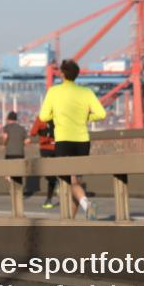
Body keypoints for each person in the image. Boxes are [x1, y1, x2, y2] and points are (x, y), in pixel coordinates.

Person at [38, 59, 106, 219]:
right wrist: (85, 118)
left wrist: (58, 117)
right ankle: (70, 220)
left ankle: (86, 205)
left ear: (62, 74)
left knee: (67, 184)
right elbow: (101, 114)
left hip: (63, 140)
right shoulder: (86, 92)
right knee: (76, 182)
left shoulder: (54, 92)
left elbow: (43, 116)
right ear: (76, 74)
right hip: (82, 141)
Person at [28, 116, 58, 208]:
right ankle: (49, 199)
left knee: (49, 173)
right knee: (58, 172)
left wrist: (41, 132)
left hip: (45, 148)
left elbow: (32, 133)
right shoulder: (58, 116)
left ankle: (49, 199)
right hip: (58, 146)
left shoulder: (41, 118)